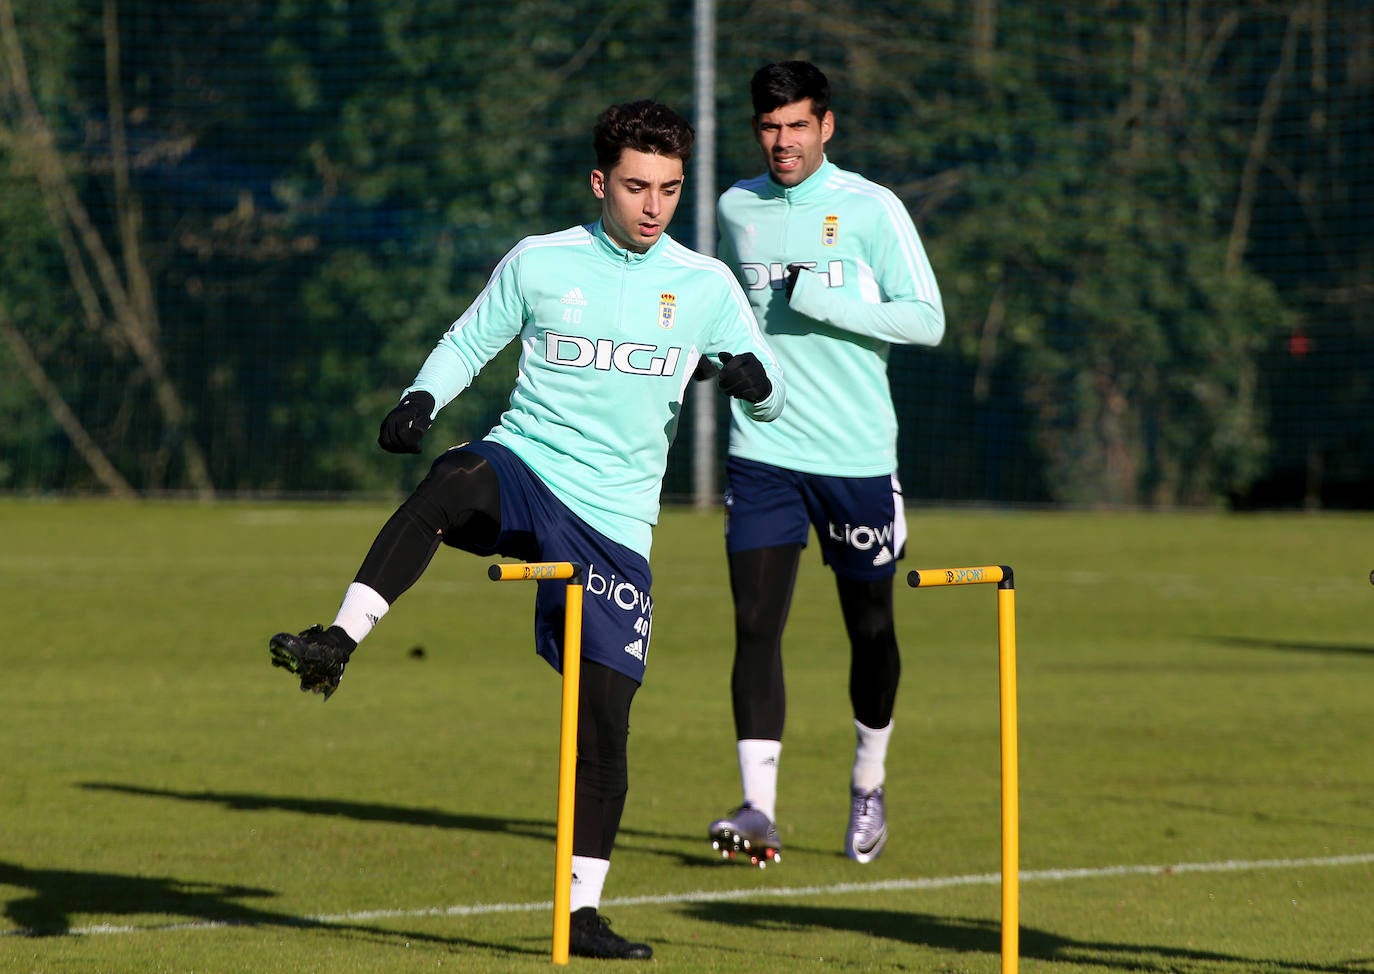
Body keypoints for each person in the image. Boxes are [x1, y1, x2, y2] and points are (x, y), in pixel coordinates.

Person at [268, 99, 785, 960]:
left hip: (616, 525)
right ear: (599, 183)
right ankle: (338, 639)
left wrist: (751, 383)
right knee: (455, 477)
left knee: (604, 728)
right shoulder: (542, 263)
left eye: (668, 188)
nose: (652, 205)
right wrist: (420, 399)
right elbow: (468, 342)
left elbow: (772, 398)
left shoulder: (706, 286)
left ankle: (582, 915)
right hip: (528, 471)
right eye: (635, 187)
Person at [702, 61, 945, 867]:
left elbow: (927, 321)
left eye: (797, 126)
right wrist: (714, 359)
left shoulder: (872, 209)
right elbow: (729, 315)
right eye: (769, 127)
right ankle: (759, 809)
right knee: (753, 624)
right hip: (764, 448)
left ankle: (868, 783)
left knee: (869, 628)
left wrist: (826, 303)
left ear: (826, 126)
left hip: (855, 454)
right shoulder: (735, 207)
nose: (782, 142)